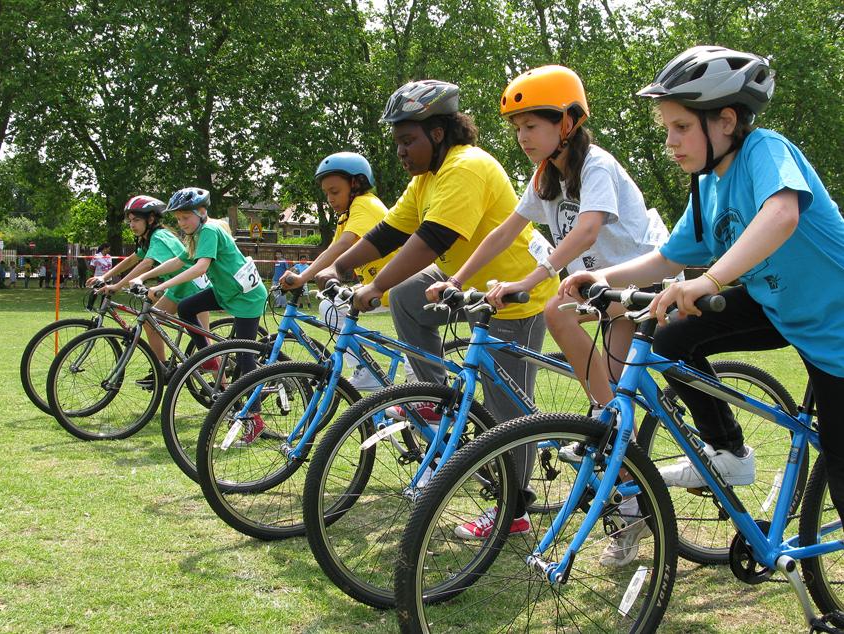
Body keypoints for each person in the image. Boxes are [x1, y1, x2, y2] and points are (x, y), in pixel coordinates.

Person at [562, 46, 844, 526]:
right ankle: (727, 451)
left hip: (834, 324)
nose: (670, 141)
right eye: (666, 127)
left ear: (727, 121)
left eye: (682, 126)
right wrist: (602, 277)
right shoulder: (708, 185)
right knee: (672, 339)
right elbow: (669, 257)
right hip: (778, 307)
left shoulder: (764, 150)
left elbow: (782, 214)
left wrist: (710, 280)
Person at [316, 80, 557, 536]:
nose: (400, 152)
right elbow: (389, 232)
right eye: (398, 142)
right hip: (460, 284)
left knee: (506, 411)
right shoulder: (426, 178)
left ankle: (514, 511)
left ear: (439, 133)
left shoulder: (466, 166)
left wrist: (375, 286)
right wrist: (339, 268)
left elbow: (433, 239)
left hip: (513, 296)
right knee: (408, 296)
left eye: (408, 140)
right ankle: (432, 396)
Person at [428, 65, 668, 433]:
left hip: (641, 280)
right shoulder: (545, 174)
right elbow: (504, 232)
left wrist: (530, 280)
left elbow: (587, 231)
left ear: (567, 123)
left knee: (557, 310)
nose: (522, 137)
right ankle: (614, 435)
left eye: (531, 125)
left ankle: (605, 421)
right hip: (602, 290)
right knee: (615, 395)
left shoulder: (596, 166)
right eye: (517, 128)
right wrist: (456, 280)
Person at [129, 187, 269, 444]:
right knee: (186, 307)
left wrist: (161, 287)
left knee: (244, 356)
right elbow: (178, 261)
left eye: (186, 217)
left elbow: (200, 267)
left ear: (202, 212)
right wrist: (143, 276)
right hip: (226, 292)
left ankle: (254, 419)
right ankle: (210, 360)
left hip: (246, 298)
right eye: (178, 219)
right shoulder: (196, 234)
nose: (181, 223)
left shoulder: (209, 231)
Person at [283, 151, 411, 390]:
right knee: (329, 306)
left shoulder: (365, 204)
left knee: (414, 357)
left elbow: (342, 246)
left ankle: (422, 392)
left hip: (404, 287)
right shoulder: (346, 217)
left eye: (335, 191)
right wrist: (303, 277)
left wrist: (302, 277)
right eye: (326, 194)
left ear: (355, 184)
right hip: (380, 289)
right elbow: (330, 253)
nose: (330, 199)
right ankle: (366, 370)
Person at [88, 195, 212, 386]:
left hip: (194, 287)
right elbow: (132, 259)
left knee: (206, 349)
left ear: (151, 219)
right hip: (176, 288)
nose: (132, 225)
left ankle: (225, 391)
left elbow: (146, 263)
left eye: (137, 220)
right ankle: (162, 368)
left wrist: (117, 286)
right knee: (149, 322)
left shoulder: (160, 236)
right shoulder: (148, 239)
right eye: (130, 220)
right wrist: (104, 278)